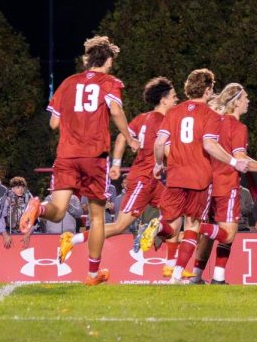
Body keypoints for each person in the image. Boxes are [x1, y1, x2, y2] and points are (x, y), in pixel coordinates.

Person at [20, 36, 138, 286]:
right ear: (106, 60)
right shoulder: (110, 82)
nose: (111, 67)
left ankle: (37, 209)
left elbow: (53, 123)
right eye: (110, 62)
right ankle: (93, 274)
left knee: (57, 210)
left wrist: (75, 121)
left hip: (66, 155)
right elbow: (116, 111)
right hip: (93, 156)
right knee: (97, 218)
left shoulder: (68, 83)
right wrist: (130, 138)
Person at [57, 76, 178, 265]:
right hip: (143, 180)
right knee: (121, 225)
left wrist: (116, 164)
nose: (176, 100)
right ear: (163, 99)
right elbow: (166, 150)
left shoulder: (142, 118)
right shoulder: (163, 121)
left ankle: (170, 265)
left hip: (152, 180)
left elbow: (123, 138)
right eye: (173, 96)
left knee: (175, 212)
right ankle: (72, 240)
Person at [151, 69, 252, 284]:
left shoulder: (173, 113)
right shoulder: (211, 116)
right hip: (199, 179)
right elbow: (209, 144)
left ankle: (158, 228)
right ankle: (177, 275)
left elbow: (159, 143)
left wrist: (159, 165)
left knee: (172, 226)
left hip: (175, 177)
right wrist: (234, 162)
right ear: (207, 90)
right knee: (192, 227)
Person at [188, 82, 257, 285]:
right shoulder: (237, 127)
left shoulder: (213, 121)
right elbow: (241, 160)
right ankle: (193, 232)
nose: (248, 101)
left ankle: (196, 276)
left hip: (205, 184)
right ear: (236, 101)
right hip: (226, 184)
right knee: (228, 233)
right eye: (245, 97)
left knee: (212, 232)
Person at [0, 176, 34, 248]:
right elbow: (1, 218)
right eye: (18, 187)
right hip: (9, 231)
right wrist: (5, 235)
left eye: (22, 187)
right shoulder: (5, 199)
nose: (20, 190)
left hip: (25, 231)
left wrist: (28, 234)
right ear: (12, 189)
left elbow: (33, 218)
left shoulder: (29, 198)